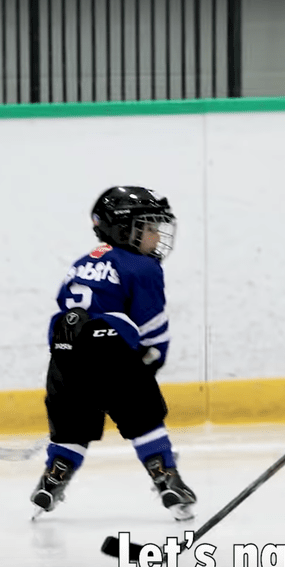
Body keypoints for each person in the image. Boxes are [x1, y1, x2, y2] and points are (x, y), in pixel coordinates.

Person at [29, 186, 197, 521]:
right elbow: (152, 326)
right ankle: (167, 480)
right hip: (111, 352)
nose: (156, 235)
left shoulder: (80, 264)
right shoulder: (141, 267)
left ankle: (53, 478)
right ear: (123, 229)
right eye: (148, 227)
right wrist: (149, 362)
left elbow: (67, 308)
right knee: (143, 418)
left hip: (64, 354)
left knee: (72, 426)